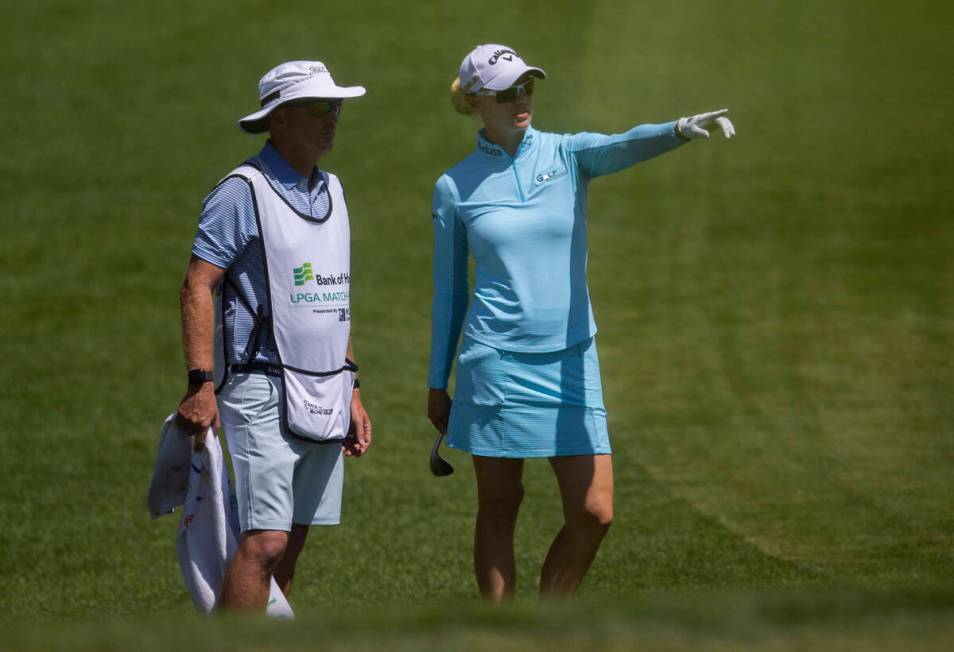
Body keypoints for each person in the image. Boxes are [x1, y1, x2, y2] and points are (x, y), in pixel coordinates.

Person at [427, 44, 734, 601]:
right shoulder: (456, 186)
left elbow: (622, 144)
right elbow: (450, 292)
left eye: (527, 86)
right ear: (476, 102)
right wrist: (436, 382)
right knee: (500, 505)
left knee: (595, 511)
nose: (522, 99)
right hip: (493, 364)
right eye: (506, 91)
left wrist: (680, 129)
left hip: (571, 361)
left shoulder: (567, 154)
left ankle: (548, 620)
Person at [176, 60, 372, 612]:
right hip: (260, 387)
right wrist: (200, 382)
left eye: (335, 108)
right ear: (279, 120)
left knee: (292, 545)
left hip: (327, 389)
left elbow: (334, 299)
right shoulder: (242, 191)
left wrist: (351, 386)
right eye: (318, 108)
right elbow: (197, 284)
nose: (332, 119)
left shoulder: (332, 189)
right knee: (266, 541)